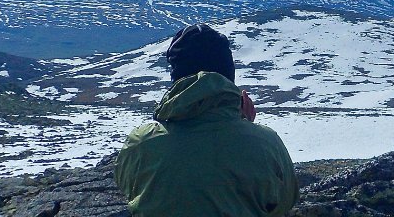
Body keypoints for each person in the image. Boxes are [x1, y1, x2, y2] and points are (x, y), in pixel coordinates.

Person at [115, 23, 299, 216]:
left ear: (176, 77)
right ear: (229, 75)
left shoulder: (141, 142)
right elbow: (284, 202)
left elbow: (129, 189)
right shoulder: (266, 143)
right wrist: (246, 128)